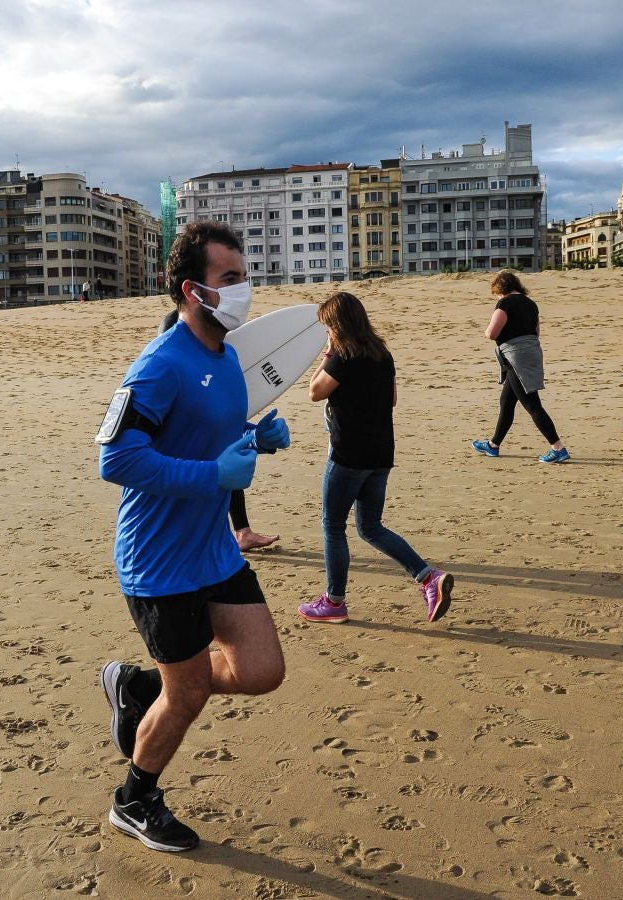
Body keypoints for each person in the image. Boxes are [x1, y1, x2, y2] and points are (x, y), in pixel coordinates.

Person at [96, 221, 289, 852]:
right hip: (159, 563)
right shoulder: (159, 364)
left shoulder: (230, 355)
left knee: (262, 670)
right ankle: (135, 799)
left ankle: (139, 685)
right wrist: (214, 474)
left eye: (244, 276)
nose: (244, 290)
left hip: (212, 549)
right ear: (193, 290)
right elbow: (116, 461)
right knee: (190, 697)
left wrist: (255, 439)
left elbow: (215, 434)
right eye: (229, 279)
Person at [300, 291, 454, 625]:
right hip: (381, 453)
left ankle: (334, 602)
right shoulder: (382, 353)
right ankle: (429, 578)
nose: (327, 333)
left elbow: (314, 392)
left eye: (328, 327)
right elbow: (393, 398)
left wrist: (327, 356)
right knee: (370, 527)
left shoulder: (342, 355)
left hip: (348, 455)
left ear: (337, 325)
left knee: (332, 525)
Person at [159, 308, 279, 551]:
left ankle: (241, 532)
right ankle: (234, 533)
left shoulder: (205, 371)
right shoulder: (165, 377)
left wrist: (259, 438)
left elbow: (226, 425)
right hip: (173, 533)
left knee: (226, 467)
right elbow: (118, 462)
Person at [470, 271, 570, 463]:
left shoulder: (505, 303)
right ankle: (493, 445)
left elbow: (492, 334)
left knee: (532, 404)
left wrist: (486, 330)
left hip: (516, 358)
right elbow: (536, 332)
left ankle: (558, 448)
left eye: (496, 292)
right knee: (506, 401)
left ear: (501, 288)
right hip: (532, 353)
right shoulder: (531, 304)